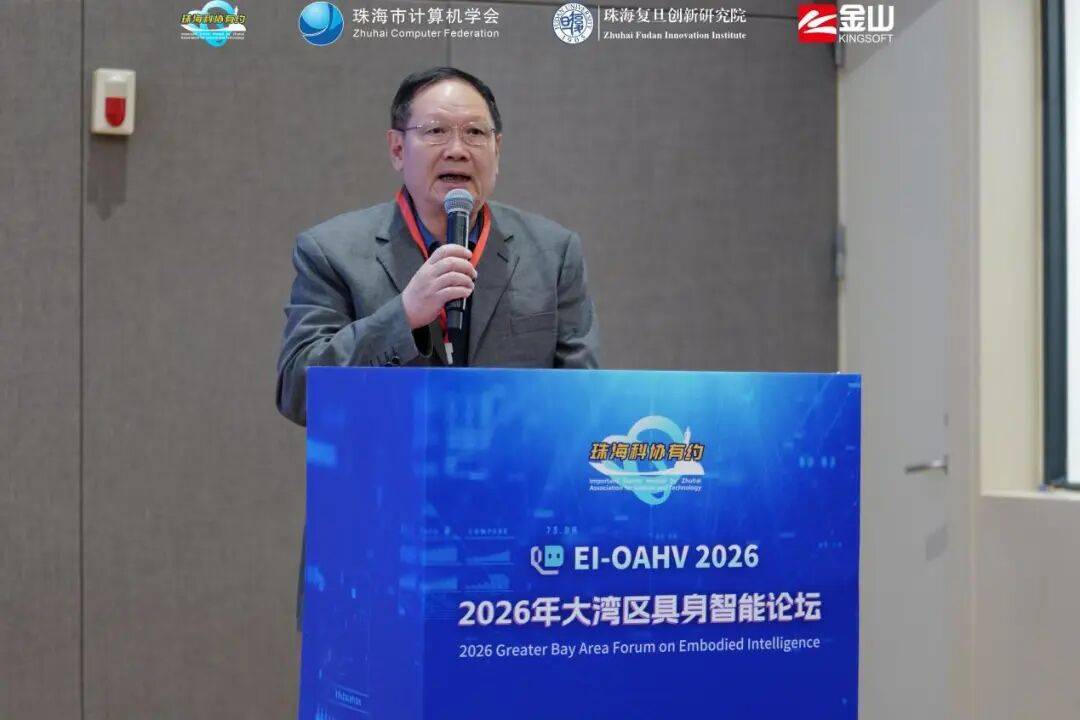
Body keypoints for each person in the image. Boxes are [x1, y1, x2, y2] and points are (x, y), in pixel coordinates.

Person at [276, 66, 600, 427]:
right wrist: (404, 315)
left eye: (475, 132)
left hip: (514, 461)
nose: (457, 150)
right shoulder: (330, 252)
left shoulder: (554, 253)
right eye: (435, 131)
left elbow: (582, 400)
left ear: (497, 149)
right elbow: (299, 393)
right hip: (387, 462)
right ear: (398, 149)